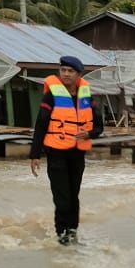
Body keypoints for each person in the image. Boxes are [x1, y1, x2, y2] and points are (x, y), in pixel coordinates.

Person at [29, 56, 103, 245]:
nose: (66, 74)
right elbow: (41, 124)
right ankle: (62, 236)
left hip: (77, 154)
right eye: (63, 70)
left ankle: (73, 232)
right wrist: (35, 154)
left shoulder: (86, 97)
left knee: (73, 196)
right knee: (62, 197)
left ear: (79, 75)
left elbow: (99, 127)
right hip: (56, 153)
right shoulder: (51, 95)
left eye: (70, 71)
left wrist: (89, 134)